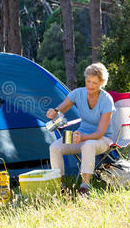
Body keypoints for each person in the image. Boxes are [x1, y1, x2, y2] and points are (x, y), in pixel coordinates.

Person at [46, 63, 115, 196]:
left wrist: (83, 138)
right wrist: (54, 112)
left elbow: (100, 132)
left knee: (88, 145)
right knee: (55, 147)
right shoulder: (78, 93)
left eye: (94, 82)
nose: (90, 85)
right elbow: (62, 108)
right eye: (88, 81)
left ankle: (84, 187)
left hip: (103, 139)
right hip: (81, 135)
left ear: (102, 83)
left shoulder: (107, 100)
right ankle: (60, 186)